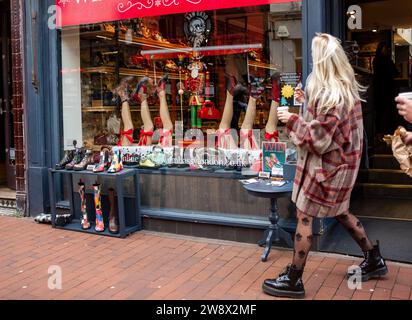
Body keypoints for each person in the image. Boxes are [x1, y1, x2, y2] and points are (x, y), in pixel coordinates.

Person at [262, 33, 388, 299]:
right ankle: (374, 259)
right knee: (341, 212)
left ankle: (294, 279)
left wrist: (292, 120)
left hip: (328, 168)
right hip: (337, 166)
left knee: (305, 216)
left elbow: (319, 138)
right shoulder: (339, 89)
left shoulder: (334, 97)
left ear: (323, 61)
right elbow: (326, 126)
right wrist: (306, 100)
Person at [373, 42, 399, 135]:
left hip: (381, 90)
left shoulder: (377, 60)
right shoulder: (386, 60)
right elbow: (395, 73)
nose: (386, 50)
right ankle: (385, 130)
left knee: (382, 112)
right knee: (387, 111)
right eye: (385, 48)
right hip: (386, 90)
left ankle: (380, 131)